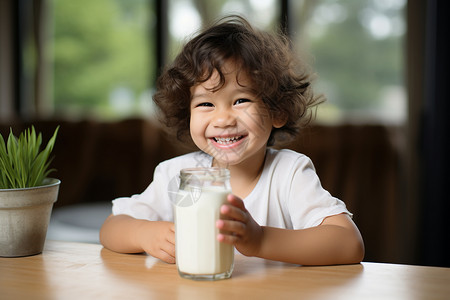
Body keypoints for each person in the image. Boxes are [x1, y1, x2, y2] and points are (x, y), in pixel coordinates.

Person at [100, 15, 364, 266]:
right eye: (205, 103)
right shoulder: (178, 175)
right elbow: (111, 228)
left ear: (278, 111)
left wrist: (260, 239)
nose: (223, 119)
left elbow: (349, 243)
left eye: (241, 100)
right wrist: (145, 233)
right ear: (187, 113)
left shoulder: (289, 173)